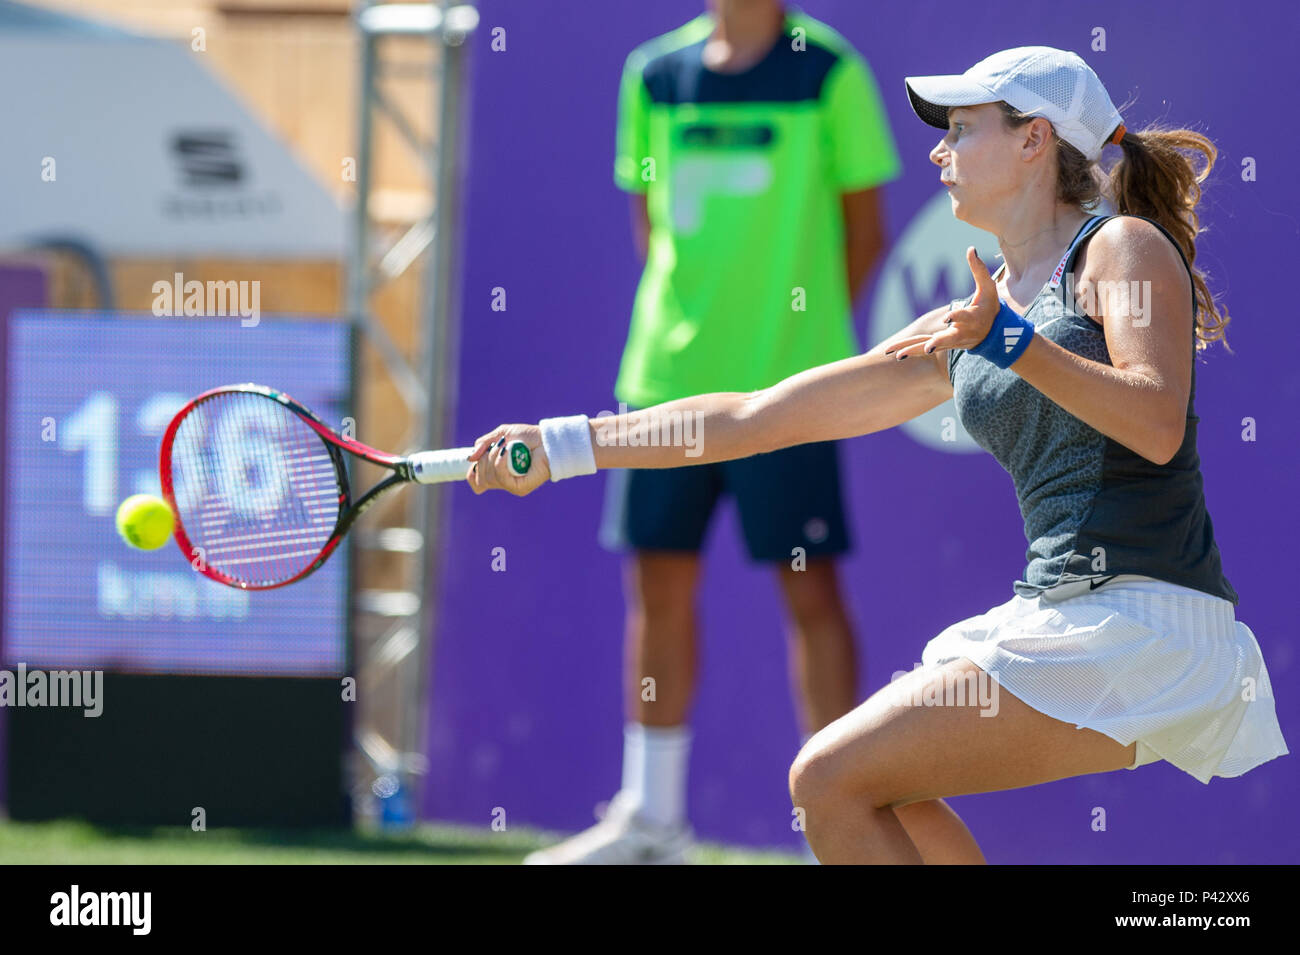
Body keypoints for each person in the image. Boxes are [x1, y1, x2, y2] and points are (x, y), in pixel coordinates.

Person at [466, 46, 1288, 864]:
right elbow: (755, 417)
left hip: (1145, 618)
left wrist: (1015, 343)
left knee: (828, 777)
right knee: (872, 788)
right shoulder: (970, 319)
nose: (939, 151)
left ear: (1035, 139)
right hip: (1064, 611)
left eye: (963, 129)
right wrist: (568, 444)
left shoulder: (1121, 248)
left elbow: (1154, 420)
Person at [520, 0, 901, 864]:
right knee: (657, 586)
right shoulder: (654, 74)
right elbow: (652, 222)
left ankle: (834, 830)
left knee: (811, 595)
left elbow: (865, 229)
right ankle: (653, 819)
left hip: (792, 394)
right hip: (664, 388)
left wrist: (795, 350)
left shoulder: (827, 68)